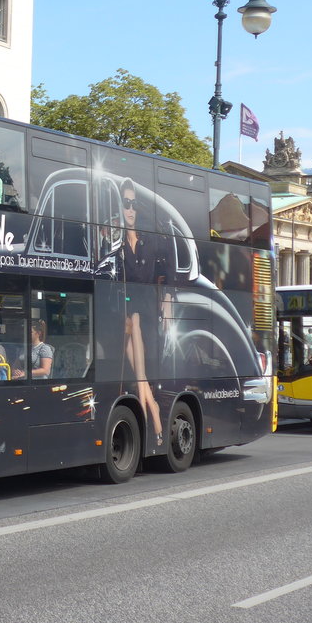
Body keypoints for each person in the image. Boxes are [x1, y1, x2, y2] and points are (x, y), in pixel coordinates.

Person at [117, 178, 171, 445]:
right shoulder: (115, 245)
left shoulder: (150, 243)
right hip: (125, 317)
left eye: (133, 204)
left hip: (145, 318)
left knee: (141, 373)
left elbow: (165, 274)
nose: (130, 209)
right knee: (140, 375)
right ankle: (155, 420)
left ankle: (154, 419)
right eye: (125, 203)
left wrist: (168, 305)